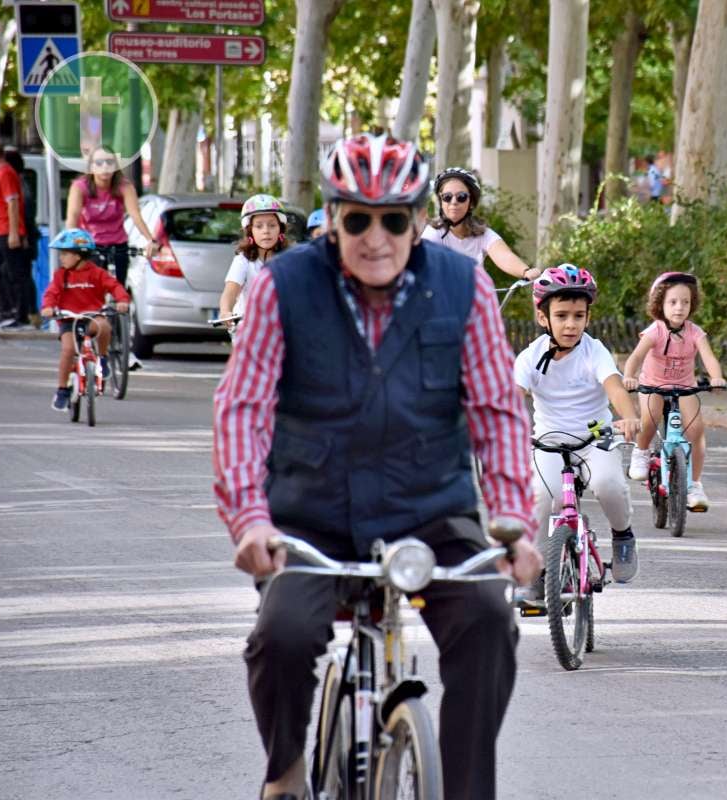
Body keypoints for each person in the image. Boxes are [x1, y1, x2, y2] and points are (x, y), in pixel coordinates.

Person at [213, 133, 541, 800]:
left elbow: (497, 410)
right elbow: (242, 409)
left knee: (487, 618)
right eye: (356, 218)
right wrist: (249, 520)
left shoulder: (466, 287)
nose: (375, 236)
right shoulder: (281, 286)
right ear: (332, 219)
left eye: (393, 218)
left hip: (430, 510)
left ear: (419, 221)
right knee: (281, 634)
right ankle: (286, 771)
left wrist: (514, 522)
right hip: (311, 516)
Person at [513, 264, 642, 605]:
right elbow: (513, 396)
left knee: (608, 484)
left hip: (595, 434)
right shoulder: (530, 357)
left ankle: (623, 535)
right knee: (541, 497)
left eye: (578, 315)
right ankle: (536, 574)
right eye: (561, 315)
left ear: (588, 317)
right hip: (549, 441)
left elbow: (614, 387)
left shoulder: (594, 351)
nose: (571, 324)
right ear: (544, 319)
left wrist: (629, 416)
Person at [623, 272, 726, 512]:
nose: (680, 308)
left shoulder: (694, 332)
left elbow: (708, 357)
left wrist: (716, 377)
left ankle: (695, 485)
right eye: (673, 302)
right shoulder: (655, 331)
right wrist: (629, 376)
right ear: (660, 303)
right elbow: (637, 356)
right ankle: (641, 452)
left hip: (684, 386)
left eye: (685, 302)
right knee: (650, 419)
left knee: (696, 430)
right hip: (653, 385)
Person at [39, 229, 130, 411]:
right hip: (68, 319)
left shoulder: (97, 273)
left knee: (104, 326)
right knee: (68, 350)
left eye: (65, 254)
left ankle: (102, 359)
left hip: (91, 316)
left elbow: (115, 286)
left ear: (80, 255)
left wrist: (122, 301)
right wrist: (48, 307)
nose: (61, 258)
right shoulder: (61, 275)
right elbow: (51, 293)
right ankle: (63, 389)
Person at [421, 167, 541, 281]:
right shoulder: (433, 232)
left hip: (478, 299)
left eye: (461, 197)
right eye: (447, 197)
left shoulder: (482, 234)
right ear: (440, 201)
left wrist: (525, 271)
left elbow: (504, 256)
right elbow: (422, 261)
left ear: (471, 202)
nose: (454, 202)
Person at [65, 145, 159, 288]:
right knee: (90, 289)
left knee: (119, 289)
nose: (105, 167)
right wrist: (72, 243)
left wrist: (151, 240)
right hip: (91, 245)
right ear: (91, 167)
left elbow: (135, 215)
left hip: (118, 245)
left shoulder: (124, 186)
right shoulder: (80, 187)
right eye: (99, 163)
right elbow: (73, 216)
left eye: (109, 162)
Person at [219, 194, 290, 328]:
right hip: (248, 329)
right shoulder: (243, 261)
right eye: (259, 226)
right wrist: (225, 311)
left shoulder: (290, 259)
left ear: (281, 229)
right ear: (250, 231)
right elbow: (229, 293)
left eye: (272, 225)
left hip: (281, 329)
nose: (266, 231)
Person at [0, 138, 30, 329]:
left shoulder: (6, 172)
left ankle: (20, 315)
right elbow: (0, 198)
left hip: (7, 230)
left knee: (16, 273)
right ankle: (5, 310)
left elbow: (13, 203)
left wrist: (14, 232)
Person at [3, 147, 40, 328]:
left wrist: (22, 236)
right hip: (25, 235)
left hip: (24, 237)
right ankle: (26, 311)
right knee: (17, 273)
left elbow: (24, 215)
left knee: (20, 275)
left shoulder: (20, 185)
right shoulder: (20, 183)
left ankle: (26, 312)